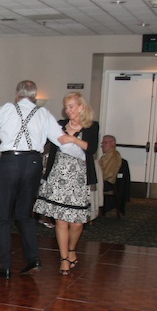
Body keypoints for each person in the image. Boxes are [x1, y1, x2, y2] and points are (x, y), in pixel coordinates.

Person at [0, 80, 64, 278]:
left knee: (3, 217)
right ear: (34, 96)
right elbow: (59, 139)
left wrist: (1, 132)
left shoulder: (7, 109)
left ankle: (6, 266)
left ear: (17, 94)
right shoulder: (43, 113)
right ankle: (33, 258)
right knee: (25, 214)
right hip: (33, 164)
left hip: (10, 162)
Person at [33, 93, 99, 275]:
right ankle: (63, 259)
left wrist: (73, 139)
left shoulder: (91, 126)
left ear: (81, 107)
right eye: (66, 107)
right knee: (61, 220)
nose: (68, 110)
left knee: (77, 223)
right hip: (58, 176)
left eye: (71, 106)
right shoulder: (60, 125)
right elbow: (45, 140)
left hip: (78, 177)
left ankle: (71, 249)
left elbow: (91, 148)